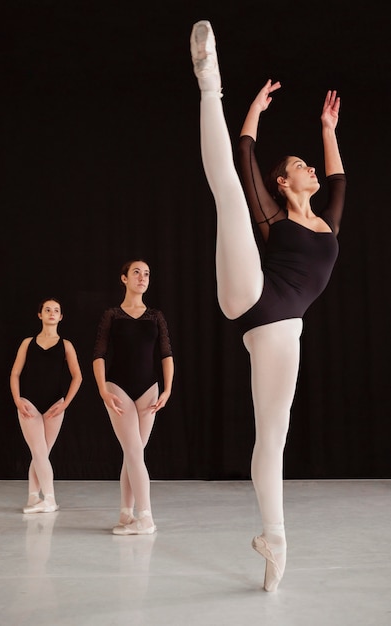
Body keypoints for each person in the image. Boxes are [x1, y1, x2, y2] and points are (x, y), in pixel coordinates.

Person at [190, 20, 346, 591]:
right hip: (253, 293)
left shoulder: (326, 222)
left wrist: (328, 128)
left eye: (310, 164)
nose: (310, 168)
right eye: (299, 165)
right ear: (283, 183)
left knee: (271, 436)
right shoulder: (274, 218)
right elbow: (247, 154)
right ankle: (211, 81)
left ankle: (274, 540)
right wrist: (250, 109)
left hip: (283, 331)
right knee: (229, 191)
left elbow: (338, 178)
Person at [93, 259, 174, 535]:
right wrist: (103, 389)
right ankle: (146, 517)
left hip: (149, 391)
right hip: (119, 390)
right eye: (136, 272)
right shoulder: (112, 315)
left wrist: (167, 389)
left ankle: (127, 514)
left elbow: (166, 354)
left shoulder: (156, 316)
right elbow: (99, 355)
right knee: (134, 452)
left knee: (133, 455)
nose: (143, 277)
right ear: (124, 278)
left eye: (147, 273)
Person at [10, 298, 82, 513]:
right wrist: (17, 400)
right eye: (47, 310)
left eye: (56, 310)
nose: (52, 313)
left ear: (61, 317)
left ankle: (34, 497)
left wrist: (65, 405)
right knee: (39, 452)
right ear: (40, 315)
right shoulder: (27, 343)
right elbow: (15, 374)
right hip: (29, 403)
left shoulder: (66, 345)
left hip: (55, 405)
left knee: (41, 453)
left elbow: (77, 377)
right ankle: (48, 499)